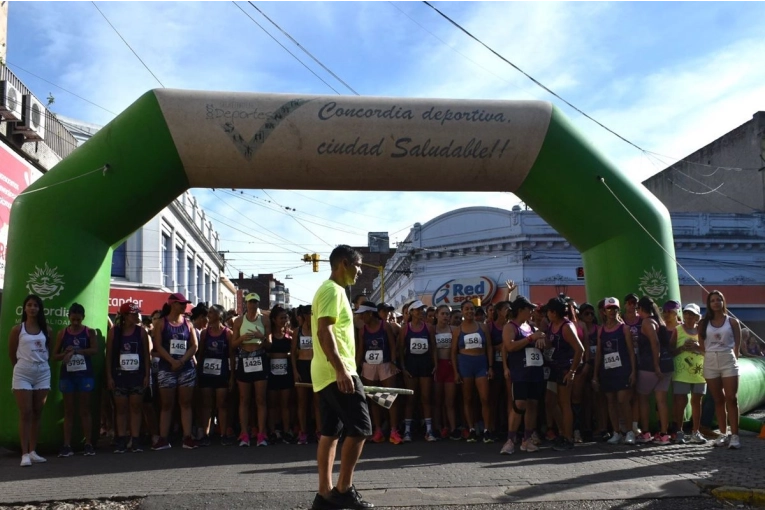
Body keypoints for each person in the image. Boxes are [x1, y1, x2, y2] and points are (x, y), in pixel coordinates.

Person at [310, 245, 373, 510]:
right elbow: (324, 331)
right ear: (344, 263)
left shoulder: (333, 291)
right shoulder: (332, 290)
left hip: (327, 373)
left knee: (330, 432)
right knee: (360, 429)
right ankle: (344, 489)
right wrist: (341, 370)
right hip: (336, 371)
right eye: (357, 266)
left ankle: (325, 495)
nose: (359, 272)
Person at [10, 294, 53, 467]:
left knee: (37, 412)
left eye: (35, 305)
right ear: (24, 308)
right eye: (29, 305)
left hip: (42, 372)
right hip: (23, 372)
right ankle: (24, 453)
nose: (32, 308)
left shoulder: (47, 330)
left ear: (39, 309)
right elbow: (12, 353)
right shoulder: (17, 329)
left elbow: (49, 352)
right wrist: (20, 367)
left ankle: (33, 451)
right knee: (26, 412)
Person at [152, 293, 198, 450]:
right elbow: (158, 345)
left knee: (186, 403)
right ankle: (163, 439)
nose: (184, 306)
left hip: (186, 368)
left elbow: (194, 345)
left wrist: (182, 361)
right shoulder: (161, 323)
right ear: (172, 304)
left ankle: (187, 437)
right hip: (167, 368)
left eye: (185, 303)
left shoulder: (188, 323)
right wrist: (172, 361)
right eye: (181, 303)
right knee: (166, 404)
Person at [501, 296, 546, 454]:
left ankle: (527, 440)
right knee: (519, 404)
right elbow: (510, 346)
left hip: (535, 371)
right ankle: (510, 440)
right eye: (529, 309)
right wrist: (530, 339)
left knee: (532, 405)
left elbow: (541, 339)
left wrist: (541, 339)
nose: (532, 312)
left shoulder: (532, 326)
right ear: (520, 310)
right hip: (520, 372)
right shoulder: (510, 327)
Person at [52, 303, 97, 457]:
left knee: (85, 409)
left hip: (85, 375)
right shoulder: (63, 333)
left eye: (78, 319)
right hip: (68, 376)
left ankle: (88, 444)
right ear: (69, 317)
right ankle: (66, 445)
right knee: (68, 411)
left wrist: (78, 351)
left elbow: (95, 350)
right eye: (73, 319)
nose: (76, 322)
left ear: (83, 317)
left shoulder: (89, 332)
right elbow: (54, 356)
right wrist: (65, 353)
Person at [699, 290, 742, 449]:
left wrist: (734, 359)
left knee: (731, 398)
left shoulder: (733, 322)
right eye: (712, 300)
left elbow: (737, 345)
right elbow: (702, 344)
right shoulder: (703, 323)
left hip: (727, 358)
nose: (716, 303)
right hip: (710, 360)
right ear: (709, 304)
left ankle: (735, 435)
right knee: (717, 399)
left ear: (723, 302)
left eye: (719, 300)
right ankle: (723, 434)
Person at [106, 301, 151, 453]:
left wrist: (147, 375)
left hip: (137, 376)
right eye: (134, 313)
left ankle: (135, 439)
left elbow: (146, 355)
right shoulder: (114, 332)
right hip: (119, 376)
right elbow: (109, 356)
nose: (137, 316)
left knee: (136, 408)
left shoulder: (141, 332)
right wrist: (109, 376)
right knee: (121, 409)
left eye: (137, 313)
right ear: (125, 316)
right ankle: (121, 439)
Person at [591, 298, 636, 445]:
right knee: (610, 401)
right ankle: (616, 432)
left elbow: (631, 352)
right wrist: (595, 375)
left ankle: (629, 431)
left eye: (615, 308)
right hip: (607, 370)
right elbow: (599, 353)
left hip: (622, 370)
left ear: (618, 310)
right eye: (609, 309)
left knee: (623, 400)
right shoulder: (601, 330)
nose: (612, 311)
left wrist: (633, 371)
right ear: (604, 311)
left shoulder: (624, 329)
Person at [355, 301, 401, 444]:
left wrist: (393, 362)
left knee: (390, 397)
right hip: (369, 366)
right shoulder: (362, 330)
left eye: (363, 314)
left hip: (385, 364)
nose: (361, 317)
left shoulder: (385, 326)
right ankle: (378, 430)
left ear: (370, 313)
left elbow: (392, 345)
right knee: (373, 399)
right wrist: (355, 367)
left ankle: (394, 430)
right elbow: (361, 349)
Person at [544, 296, 585, 451]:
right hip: (553, 368)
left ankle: (568, 438)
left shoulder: (566, 327)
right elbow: (550, 343)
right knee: (550, 401)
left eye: (549, 311)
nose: (547, 314)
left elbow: (580, 349)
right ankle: (562, 432)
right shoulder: (551, 325)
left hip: (565, 369)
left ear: (554, 312)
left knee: (564, 403)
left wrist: (572, 371)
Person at [451, 300, 494, 443]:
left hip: (481, 364)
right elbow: (453, 352)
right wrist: (456, 372)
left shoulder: (483, 327)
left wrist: (490, 366)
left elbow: (489, 347)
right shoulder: (458, 330)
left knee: (485, 398)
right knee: (467, 398)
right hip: (465, 365)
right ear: (462, 311)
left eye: (472, 309)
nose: (470, 311)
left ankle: (487, 430)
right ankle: (471, 429)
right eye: (467, 309)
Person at [232, 292, 271, 447]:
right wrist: (242, 339)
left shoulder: (265, 320)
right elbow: (233, 345)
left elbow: (270, 345)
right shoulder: (239, 321)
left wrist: (261, 336)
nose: (253, 305)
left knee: (260, 399)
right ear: (246, 304)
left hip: (259, 357)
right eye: (250, 302)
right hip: (244, 357)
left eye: (255, 302)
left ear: (258, 303)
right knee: (244, 399)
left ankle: (261, 433)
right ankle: (244, 433)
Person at [634, 296, 674, 445]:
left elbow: (655, 343)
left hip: (650, 366)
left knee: (643, 399)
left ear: (641, 308)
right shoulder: (660, 321)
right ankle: (664, 434)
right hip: (667, 365)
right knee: (661, 401)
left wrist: (656, 366)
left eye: (637, 308)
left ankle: (645, 432)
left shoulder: (647, 322)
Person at [399, 300, 437, 442]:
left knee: (426, 397)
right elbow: (400, 350)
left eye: (422, 309)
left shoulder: (429, 327)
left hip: (425, 364)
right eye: (418, 309)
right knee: (410, 398)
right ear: (411, 312)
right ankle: (407, 431)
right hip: (411, 365)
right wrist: (403, 367)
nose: (421, 312)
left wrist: (436, 364)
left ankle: (429, 430)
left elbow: (433, 347)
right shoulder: (405, 329)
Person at [196, 304, 235, 446]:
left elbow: (232, 356)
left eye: (212, 312)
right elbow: (200, 354)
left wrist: (232, 376)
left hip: (222, 373)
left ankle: (223, 434)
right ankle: (205, 435)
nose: (209, 314)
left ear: (219, 315)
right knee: (206, 405)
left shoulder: (228, 333)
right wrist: (198, 372)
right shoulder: (204, 333)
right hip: (206, 373)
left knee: (222, 404)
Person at [670, 303, 707, 444]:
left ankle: (695, 432)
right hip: (681, 372)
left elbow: (708, 351)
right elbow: (670, 351)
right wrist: (682, 348)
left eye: (692, 314)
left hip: (699, 372)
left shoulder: (702, 332)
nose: (688, 316)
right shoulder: (678, 330)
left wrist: (697, 347)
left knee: (697, 402)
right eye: (686, 313)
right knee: (680, 401)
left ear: (697, 317)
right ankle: (679, 432)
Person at [292, 305, 321, 445]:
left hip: (315, 366)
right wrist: (295, 371)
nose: (310, 316)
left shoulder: (317, 330)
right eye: (308, 314)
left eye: (312, 314)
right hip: (302, 366)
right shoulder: (297, 332)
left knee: (317, 401)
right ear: (303, 315)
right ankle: (303, 432)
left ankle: (319, 431)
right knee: (302, 402)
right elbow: (293, 354)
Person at [267, 305, 295, 443]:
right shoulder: (269, 336)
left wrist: (286, 355)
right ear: (274, 320)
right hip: (272, 373)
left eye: (285, 317)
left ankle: (287, 430)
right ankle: (273, 431)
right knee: (272, 404)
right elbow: (266, 351)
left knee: (285, 403)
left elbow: (294, 353)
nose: (284, 320)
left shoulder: (290, 335)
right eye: (281, 318)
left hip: (286, 373)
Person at [433, 304, 458, 440]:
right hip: (438, 367)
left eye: (447, 314)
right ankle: (437, 428)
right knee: (437, 401)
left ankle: (453, 428)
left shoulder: (454, 329)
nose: (445, 316)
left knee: (450, 401)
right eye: (442, 313)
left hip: (450, 366)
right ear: (436, 315)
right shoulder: (432, 330)